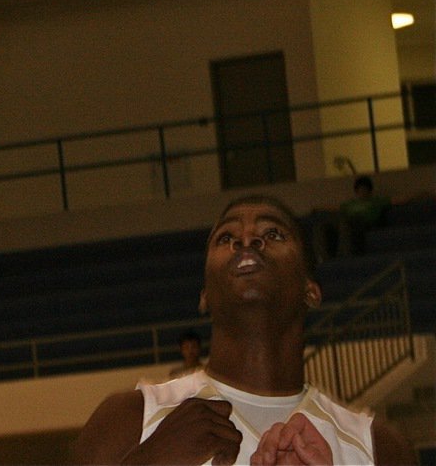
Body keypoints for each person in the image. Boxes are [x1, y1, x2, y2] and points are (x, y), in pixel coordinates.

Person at [72, 195, 417, 466]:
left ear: (310, 290)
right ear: (204, 295)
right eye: (227, 237)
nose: (246, 240)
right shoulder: (130, 419)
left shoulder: (379, 447)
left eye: (272, 233)